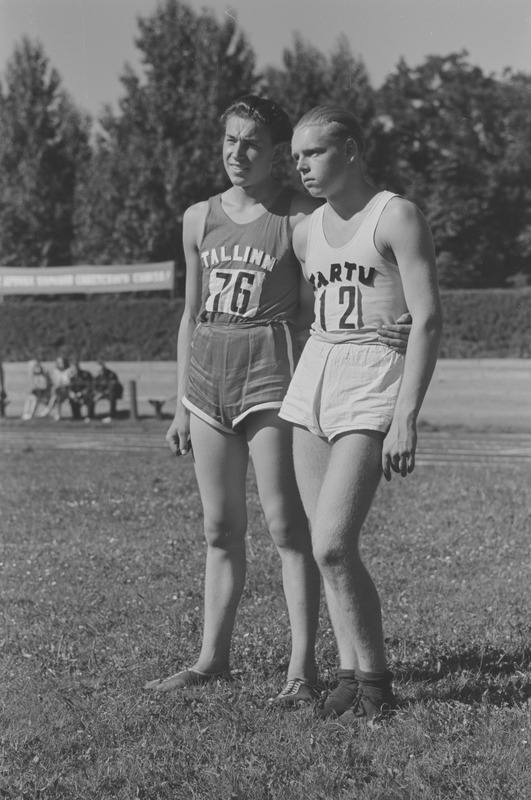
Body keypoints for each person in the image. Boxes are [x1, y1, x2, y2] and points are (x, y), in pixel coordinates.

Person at [144, 96, 411, 704]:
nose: (238, 154)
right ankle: (212, 660)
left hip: (271, 372)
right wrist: (181, 400)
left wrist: (390, 317)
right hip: (208, 374)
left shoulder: (297, 216)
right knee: (219, 527)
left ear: (275, 157)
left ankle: (301, 672)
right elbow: (188, 315)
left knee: (289, 528)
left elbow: (342, 273)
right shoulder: (197, 217)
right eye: (229, 141)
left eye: (252, 145)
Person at [279, 105, 443, 724]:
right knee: (325, 548)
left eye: (313, 153)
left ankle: (377, 682)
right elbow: (313, 314)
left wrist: (407, 414)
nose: (302, 166)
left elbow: (426, 318)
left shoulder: (395, 214)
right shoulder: (306, 230)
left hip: (373, 379)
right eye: (296, 157)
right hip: (314, 379)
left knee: (331, 543)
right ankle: (348, 674)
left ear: (349, 148)